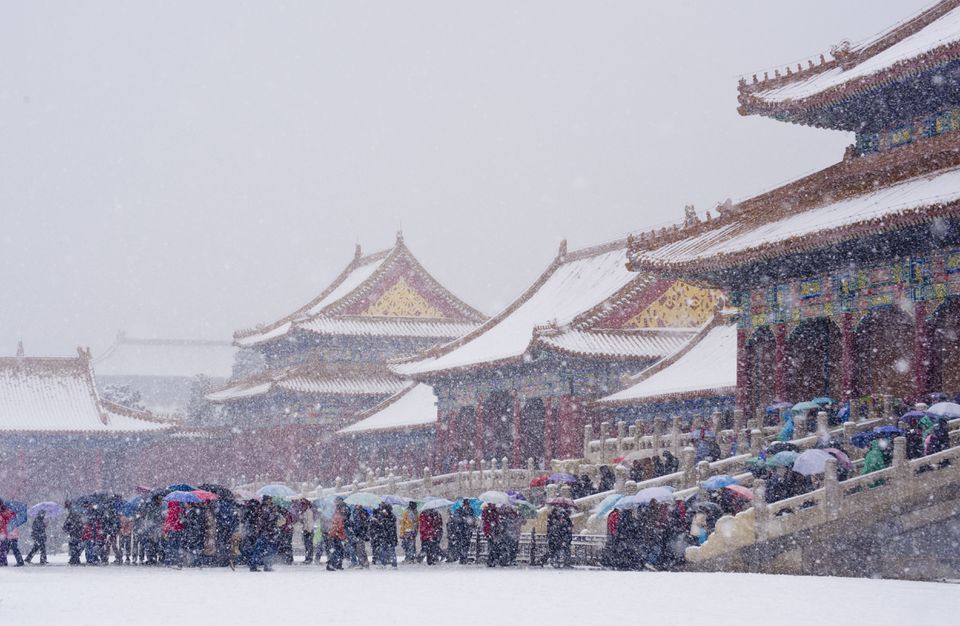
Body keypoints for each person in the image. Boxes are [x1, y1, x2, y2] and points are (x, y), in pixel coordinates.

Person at [371, 503, 398, 568]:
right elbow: (380, 526)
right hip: (383, 537)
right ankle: (383, 564)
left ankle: (394, 565)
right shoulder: (383, 517)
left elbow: (389, 527)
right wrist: (376, 522)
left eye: (384, 511)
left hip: (390, 537)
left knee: (391, 551)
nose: (383, 512)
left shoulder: (392, 517)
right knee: (382, 551)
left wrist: (382, 522)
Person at [326, 501, 348, 571]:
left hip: (336, 535)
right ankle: (332, 564)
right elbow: (338, 527)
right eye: (343, 507)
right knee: (337, 551)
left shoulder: (338, 514)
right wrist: (341, 534)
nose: (344, 509)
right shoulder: (338, 515)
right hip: (336, 535)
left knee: (338, 550)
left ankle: (337, 564)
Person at [63, 500, 83, 565]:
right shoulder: (75, 512)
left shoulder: (72, 513)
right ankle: (75, 559)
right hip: (77, 532)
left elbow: (68, 523)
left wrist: (67, 528)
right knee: (76, 545)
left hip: (74, 532)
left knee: (73, 545)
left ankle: (74, 559)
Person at [299, 499, 316, 564]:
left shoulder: (309, 512)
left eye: (303, 505)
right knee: (306, 545)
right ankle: (307, 557)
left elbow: (309, 522)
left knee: (309, 545)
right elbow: (303, 521)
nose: (302, 506)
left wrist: (309, 530)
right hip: (305, 530)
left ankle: (309, 558)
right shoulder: (304, 512)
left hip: (309, 530)